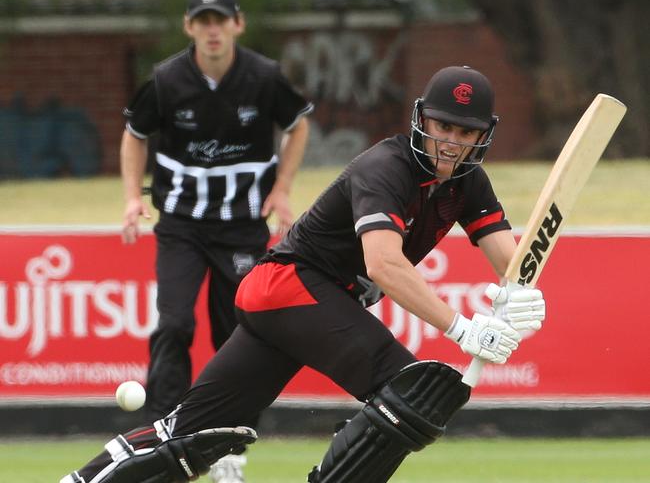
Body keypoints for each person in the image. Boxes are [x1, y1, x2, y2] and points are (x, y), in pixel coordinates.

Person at [61, 65, 546, 483]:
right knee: (412, 393)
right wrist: (461, 328)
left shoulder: (469, 182)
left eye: (465, 133)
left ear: (483, 135)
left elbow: (512, 259)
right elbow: (384, 263)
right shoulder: (387, 167)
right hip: (291, 287)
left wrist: (522, 297)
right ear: (422, 119)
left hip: (293, 305)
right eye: (444, 126)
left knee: (187, 432)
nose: (451, 144)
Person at [118, 0, 311, 481]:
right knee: (175, 324)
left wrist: (283, 189)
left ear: (237, 25)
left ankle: (229, 447)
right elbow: (134, 134)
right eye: (203, 21)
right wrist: (130, 198)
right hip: (181, 226)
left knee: (238, 336)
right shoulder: (166, 81)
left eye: (220, 21)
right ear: (189, 27)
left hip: (242, 227)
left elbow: (298, 125)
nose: (212, 31)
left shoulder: (264, 77)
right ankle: (157, 440)